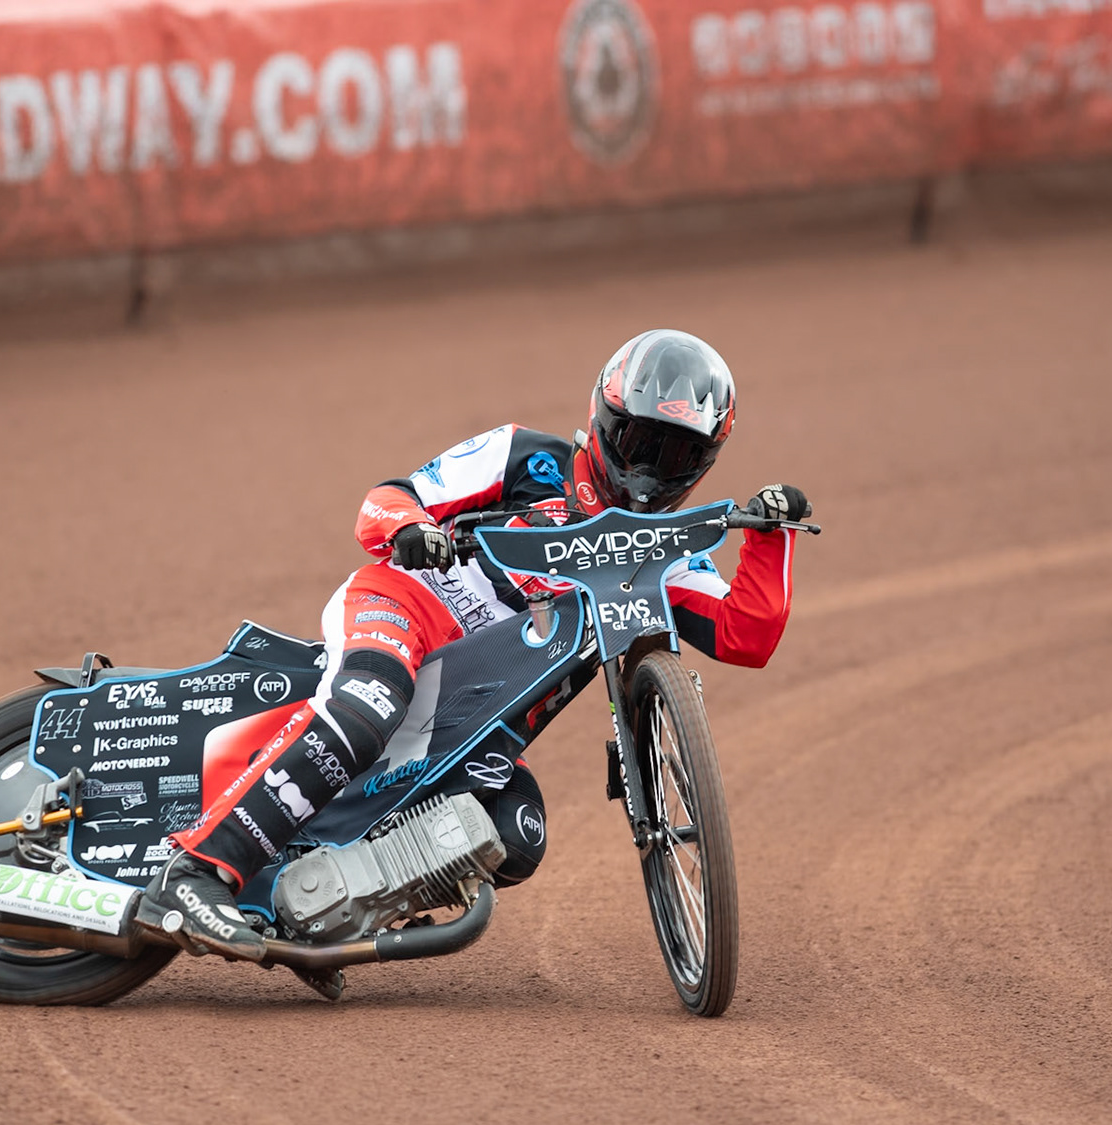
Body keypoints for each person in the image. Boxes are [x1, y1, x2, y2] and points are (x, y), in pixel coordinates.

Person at [138, 329, 810, 960]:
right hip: (406, 607)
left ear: (705, 461)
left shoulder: (667, 559)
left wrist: (769, 535)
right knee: (371, 704)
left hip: (475, 713)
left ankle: (315, 913)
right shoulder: (526, 455)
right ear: (607, 420)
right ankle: (197, 871)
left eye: (679, 455)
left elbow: (743, 634)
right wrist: (409, 528)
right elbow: (387, 498)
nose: (651, 470)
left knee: (517, 833)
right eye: (641, 442)